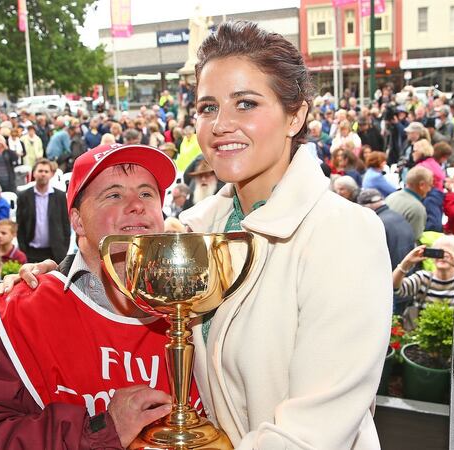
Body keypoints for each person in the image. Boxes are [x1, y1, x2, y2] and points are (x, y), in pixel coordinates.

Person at [176, 21, 391, 448]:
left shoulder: (344, 234)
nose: (220, 124)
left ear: (296, 115)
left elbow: (312, 434)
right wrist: (59, 281)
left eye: (246, 103)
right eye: (207, 107)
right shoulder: (197, 225)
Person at [0, 144, 189, 448]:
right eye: (114, 195)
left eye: (148, 193)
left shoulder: (196, 305)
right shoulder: (14, 314)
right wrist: (100, 430)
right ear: (78, 221)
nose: (137, 205)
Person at [16, 159, 70, 263]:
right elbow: (20, 225)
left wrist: (63, 249)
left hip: (55, 252)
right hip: (31, 252)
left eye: (46, 171)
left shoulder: (60, 196)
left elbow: (65, 224)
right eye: (40, 171)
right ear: (34, 173)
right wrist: (23, 250)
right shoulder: (24, 196)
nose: (43, 174)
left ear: (52, 174)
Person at [392, 235, 454, 310]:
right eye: (439, 253)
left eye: (448, 254)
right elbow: (395, 287)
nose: (443, 257)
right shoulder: (423, 278)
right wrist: (406, 262)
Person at [358, 189, 415, 271]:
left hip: (389, 275)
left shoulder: (376, 223)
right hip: (405, 272)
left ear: (366, 206)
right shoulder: (399, 217)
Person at [386, 166, 434, 240]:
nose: (430, 189)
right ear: (421, 185)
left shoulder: (391, 196)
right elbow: (413, 241)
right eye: (430, 185)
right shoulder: (417, 209)